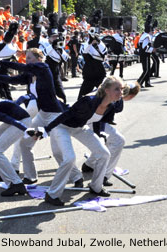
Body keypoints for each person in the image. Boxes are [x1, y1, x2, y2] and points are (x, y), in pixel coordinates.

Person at [38, 76, 127, 205]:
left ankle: (96, 187)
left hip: (80, 127)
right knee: (69, 158)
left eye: (122, 89)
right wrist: (47, 129)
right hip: (62, 126)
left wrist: (99, 135)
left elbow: (98, 121)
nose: (121, 92)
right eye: (117, 89)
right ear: (107, 90)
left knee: (104, 153)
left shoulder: (111, 105)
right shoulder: (88, 101)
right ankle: (52, 194)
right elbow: (66, 114)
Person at [0, 48, 66, 186]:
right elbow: (13, 80)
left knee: (58, 150)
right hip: (43, 114)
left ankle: (76, 176)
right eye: (26, 57)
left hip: (55, 114)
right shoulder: (30, 75)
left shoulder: (43, 67)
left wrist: (3, 63)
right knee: (25, 142)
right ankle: (30, 176)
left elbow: (22, 66)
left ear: (38, 58)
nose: (26, 60)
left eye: (29, 57)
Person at [82, 81, 141, 186]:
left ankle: (89, 164)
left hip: (90, 118)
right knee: (118, 141)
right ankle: (103, 176)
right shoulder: (117, 99)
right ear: (131, 96)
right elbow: (102, 116)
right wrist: (101, 133)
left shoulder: (114, 89)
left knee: (107, 141)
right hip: (90, 119)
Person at [39, 13, 69, 103]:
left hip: (56, 74)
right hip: (45, 74)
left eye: (56, 36)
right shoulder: (43, 44)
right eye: (53, 37)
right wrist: (52, 46)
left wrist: (59, 48)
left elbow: (66, 58)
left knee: (61, 95)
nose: (55, 38)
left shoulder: (58, 45)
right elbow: (42, 54)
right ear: (49, 36)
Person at [137, 15, 156, 88]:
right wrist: (152, 50)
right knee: (146, 69)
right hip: (144, 54)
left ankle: (147, 82)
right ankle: (139, 82)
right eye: (152, 31)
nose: (152, 32)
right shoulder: (147, 36)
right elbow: (144, 47)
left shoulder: (144, 35)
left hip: (145, 54)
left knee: (147, 69)